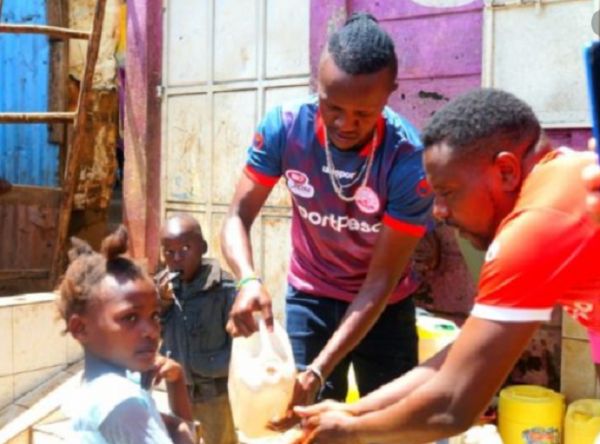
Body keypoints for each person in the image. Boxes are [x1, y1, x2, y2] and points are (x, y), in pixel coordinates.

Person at [293, 88, 600, 443]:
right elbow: (462, 359)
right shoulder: (558, 179)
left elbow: (453, 403)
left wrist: (351, 432)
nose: (437, 212)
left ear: (505, 171)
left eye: (448, 192)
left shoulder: (533, 227)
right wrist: (354, 410)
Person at [221, 11, 433, 423]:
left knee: (389, 426)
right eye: (331, 106)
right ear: (315, 84)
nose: (344, 124)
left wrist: (319, 370)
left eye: (363, 114)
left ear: (390, 93)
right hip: (310, 297)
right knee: (301, 423)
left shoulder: (409, 161)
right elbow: (237, 216)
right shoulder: (285, 128)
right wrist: (247, 279)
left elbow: (380, 282)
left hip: (384, 307)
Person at [57, 225, 195, 444]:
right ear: (80, 328)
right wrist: (180, 430)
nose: (152, 331)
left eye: (155, 316)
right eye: (130, 318)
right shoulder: (120, 401)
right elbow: (179, 431)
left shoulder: (97, 386)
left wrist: (176, 380)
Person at [158, 214, 238, 444]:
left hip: (215, 391)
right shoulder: (165, 290)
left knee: (220, 439)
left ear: (202, 247)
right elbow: (158, 332)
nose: (177, 258)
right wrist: (161, 304)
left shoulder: (223, 289)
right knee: (184, 437)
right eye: (169, 252)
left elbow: (238, 342)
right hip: (179, 389)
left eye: (185, 248)